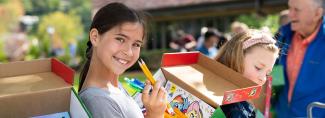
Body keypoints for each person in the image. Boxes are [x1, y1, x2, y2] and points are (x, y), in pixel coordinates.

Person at [78, 3, 166, 118]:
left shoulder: (114, 87)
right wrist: (155, 115)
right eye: (120, 39)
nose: (129, 52)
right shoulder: (98, 101)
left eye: (136, 44)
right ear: (95, 37)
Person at [275, 0, 325, 117]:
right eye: (290, 8)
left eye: (297, 10)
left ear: (317, 14)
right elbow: (275, 78)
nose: (290, 14)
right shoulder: (282, 35)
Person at [215, 29, 279, 117]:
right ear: (236, 58)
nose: (263, 79)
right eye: (258, 68)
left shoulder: (247, 101)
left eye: (267, 74)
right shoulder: (224, 107)